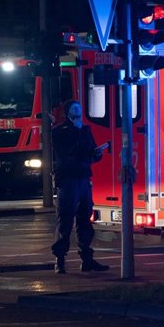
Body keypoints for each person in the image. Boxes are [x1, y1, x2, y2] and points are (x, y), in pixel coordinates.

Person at [51, 100, 109, 274]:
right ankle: (60, 260)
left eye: (79, 108)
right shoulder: (60, 131)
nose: (78, 111)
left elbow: (89, 152)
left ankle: (87, 260)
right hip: (68, 180)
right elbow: (68, 152)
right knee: (66, 220)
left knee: (85, 219)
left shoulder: (85, 130)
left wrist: (96, 154)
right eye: (75, 108)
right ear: (68, 112)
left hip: (83, 178)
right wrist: (77, 132)